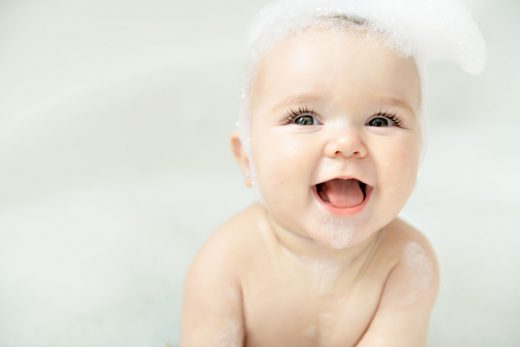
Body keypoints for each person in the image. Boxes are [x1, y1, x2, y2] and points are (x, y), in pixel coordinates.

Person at [180, 1, 485, 346]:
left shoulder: (406, 261)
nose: (346, 143)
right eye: (305, 119)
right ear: (247, 158)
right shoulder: (225, 265)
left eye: (381, 120)